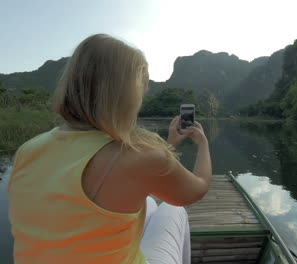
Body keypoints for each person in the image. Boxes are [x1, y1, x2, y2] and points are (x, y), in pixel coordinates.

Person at [8, 34, 212, 264]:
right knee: (174, 210)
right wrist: (203, 143)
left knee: (149, 203)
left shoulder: (27, 150)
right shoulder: (140, 157)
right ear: (127, 96)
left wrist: (169, 143)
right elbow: (197, 189)